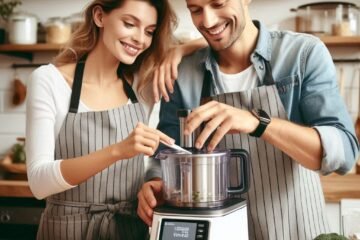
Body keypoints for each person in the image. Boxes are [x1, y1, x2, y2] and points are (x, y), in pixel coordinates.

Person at [137, 0, 360, 239]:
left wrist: (258, 123)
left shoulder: (301, 55)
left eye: (218, 3)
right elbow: (166, 151)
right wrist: (157, 181)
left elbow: (344, 154)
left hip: (296, 229)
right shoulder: (182, 73)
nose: (208, 21)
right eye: (196, 10)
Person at [25, 0, 181, 239]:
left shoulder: (143, 84)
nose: (140, 38)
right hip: (66, 231)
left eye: (149, 31)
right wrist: (118, 150)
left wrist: (178, 50)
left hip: (129, 230)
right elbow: (39, 182)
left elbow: (206, 43)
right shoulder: (50, 80)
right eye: (130, 24)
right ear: (99, 16)